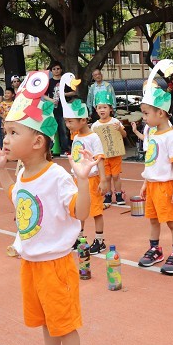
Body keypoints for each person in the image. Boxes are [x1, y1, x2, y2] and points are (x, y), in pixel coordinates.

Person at [0, 73, 95, 345]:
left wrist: (83, 180)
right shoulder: (22, 172)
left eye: (13, 132)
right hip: (31, 262)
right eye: (5, 132)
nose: (5, 139)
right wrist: (2, 172)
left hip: (55, 264)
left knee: (64, 321)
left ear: (37, 141)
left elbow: (80, 212)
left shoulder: (56, 176)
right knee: (46, 318)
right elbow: (17, 199)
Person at [136, 60, 173, 275]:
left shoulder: (169, 137)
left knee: (172, 222)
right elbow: (151, 162)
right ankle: (155, 249)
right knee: (153, 220)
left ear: (161, 113)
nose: (144, 118)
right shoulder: (153, 134)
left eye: (146, 113)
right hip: (153, 185)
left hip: (166, 186)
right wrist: (145, 182)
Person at [60, 73, 109, 255]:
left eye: (70, 121)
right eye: (66, 121)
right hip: (78, 180)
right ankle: (79, 237)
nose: (68, 125)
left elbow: (99, 158)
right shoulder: (76, 136)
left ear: (83, 120)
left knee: (95, 210)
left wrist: (103, 180)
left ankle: (100, 240)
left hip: (92, 179)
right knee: (78, 208)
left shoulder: (93, 137)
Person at [90, 91, 127, 206]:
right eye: (99, 107)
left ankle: (118, 194)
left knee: (115, 176)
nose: (102, 110)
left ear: (110, 109)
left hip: (115, 155)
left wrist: (119, 129)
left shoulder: (115, 122)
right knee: (106, 176)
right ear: (96, 110)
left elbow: (124, 135)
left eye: (105, 107)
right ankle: (108, 194)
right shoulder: (95, 126)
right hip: (103, 156)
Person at [45, 61, 71, 155]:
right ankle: (49, 150)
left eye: (58, 68)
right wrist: (51, 100)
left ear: (61, 69)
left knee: (63, 130)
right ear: (51, 71)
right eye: (54, 69)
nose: (56, 70)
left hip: (63, 109)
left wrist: (64, 94)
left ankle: (65, 150)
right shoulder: (49, 82)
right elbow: (43, 95)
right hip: (52, 109)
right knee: (51, 130)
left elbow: (73, 92)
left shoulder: (65, 80)